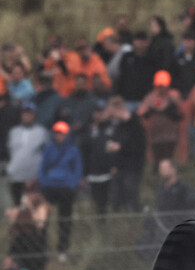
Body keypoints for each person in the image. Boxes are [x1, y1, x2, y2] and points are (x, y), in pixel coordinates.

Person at [37, 122, 82, 261]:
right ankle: (41, 248)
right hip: (49, 187)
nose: (59, 135)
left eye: (62, 133)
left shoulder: (73, 150)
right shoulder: (48, 149)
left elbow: (78, 169)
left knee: (65, 220)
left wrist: (71, 184)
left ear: (67, 134)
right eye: (57, 132)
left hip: (65, 189)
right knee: (43, 220)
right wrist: (44, 183)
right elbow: (42, 167)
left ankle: (62, 249)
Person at [136, 70, 185, 165]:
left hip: (171, 135)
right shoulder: (151, 97)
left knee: (170, 159)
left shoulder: (174, 96)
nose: (162, 89)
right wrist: (151, 110)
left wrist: (173, 105)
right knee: (157, 160)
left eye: (163, 86)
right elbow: (141, 112)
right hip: (155, 136)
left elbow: (182, 112)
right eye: (159, 86)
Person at [108, 97, 146, 213]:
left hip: (134, 165)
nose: (113, 117)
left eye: (113, 114)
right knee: (117, 192)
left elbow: (139, 145)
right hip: (120, 165)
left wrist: (121, 147)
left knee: (130, 189)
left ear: (119, 109)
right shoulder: (119, 127)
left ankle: (135, 214)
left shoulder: (135, 123)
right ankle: (119, 217)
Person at [78, 102, 116, 215]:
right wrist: (84, 172)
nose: (99, 114)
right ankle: (97, 226)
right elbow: (84, 151)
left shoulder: (114, 128)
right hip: (93, 173)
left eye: (101, 111)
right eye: (97, 111)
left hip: (110, 173)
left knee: (110, 202)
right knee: (94, 203)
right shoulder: (89, 130)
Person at [6, 103, 47, 204]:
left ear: (34, 115)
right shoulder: (14, 132)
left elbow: (46, 152)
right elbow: (9, 151)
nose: (27, 116)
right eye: (25, 113)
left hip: (33, 176)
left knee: (33, 205)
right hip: (16, 175)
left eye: (30, 114)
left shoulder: (41, 132)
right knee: (18, 204)